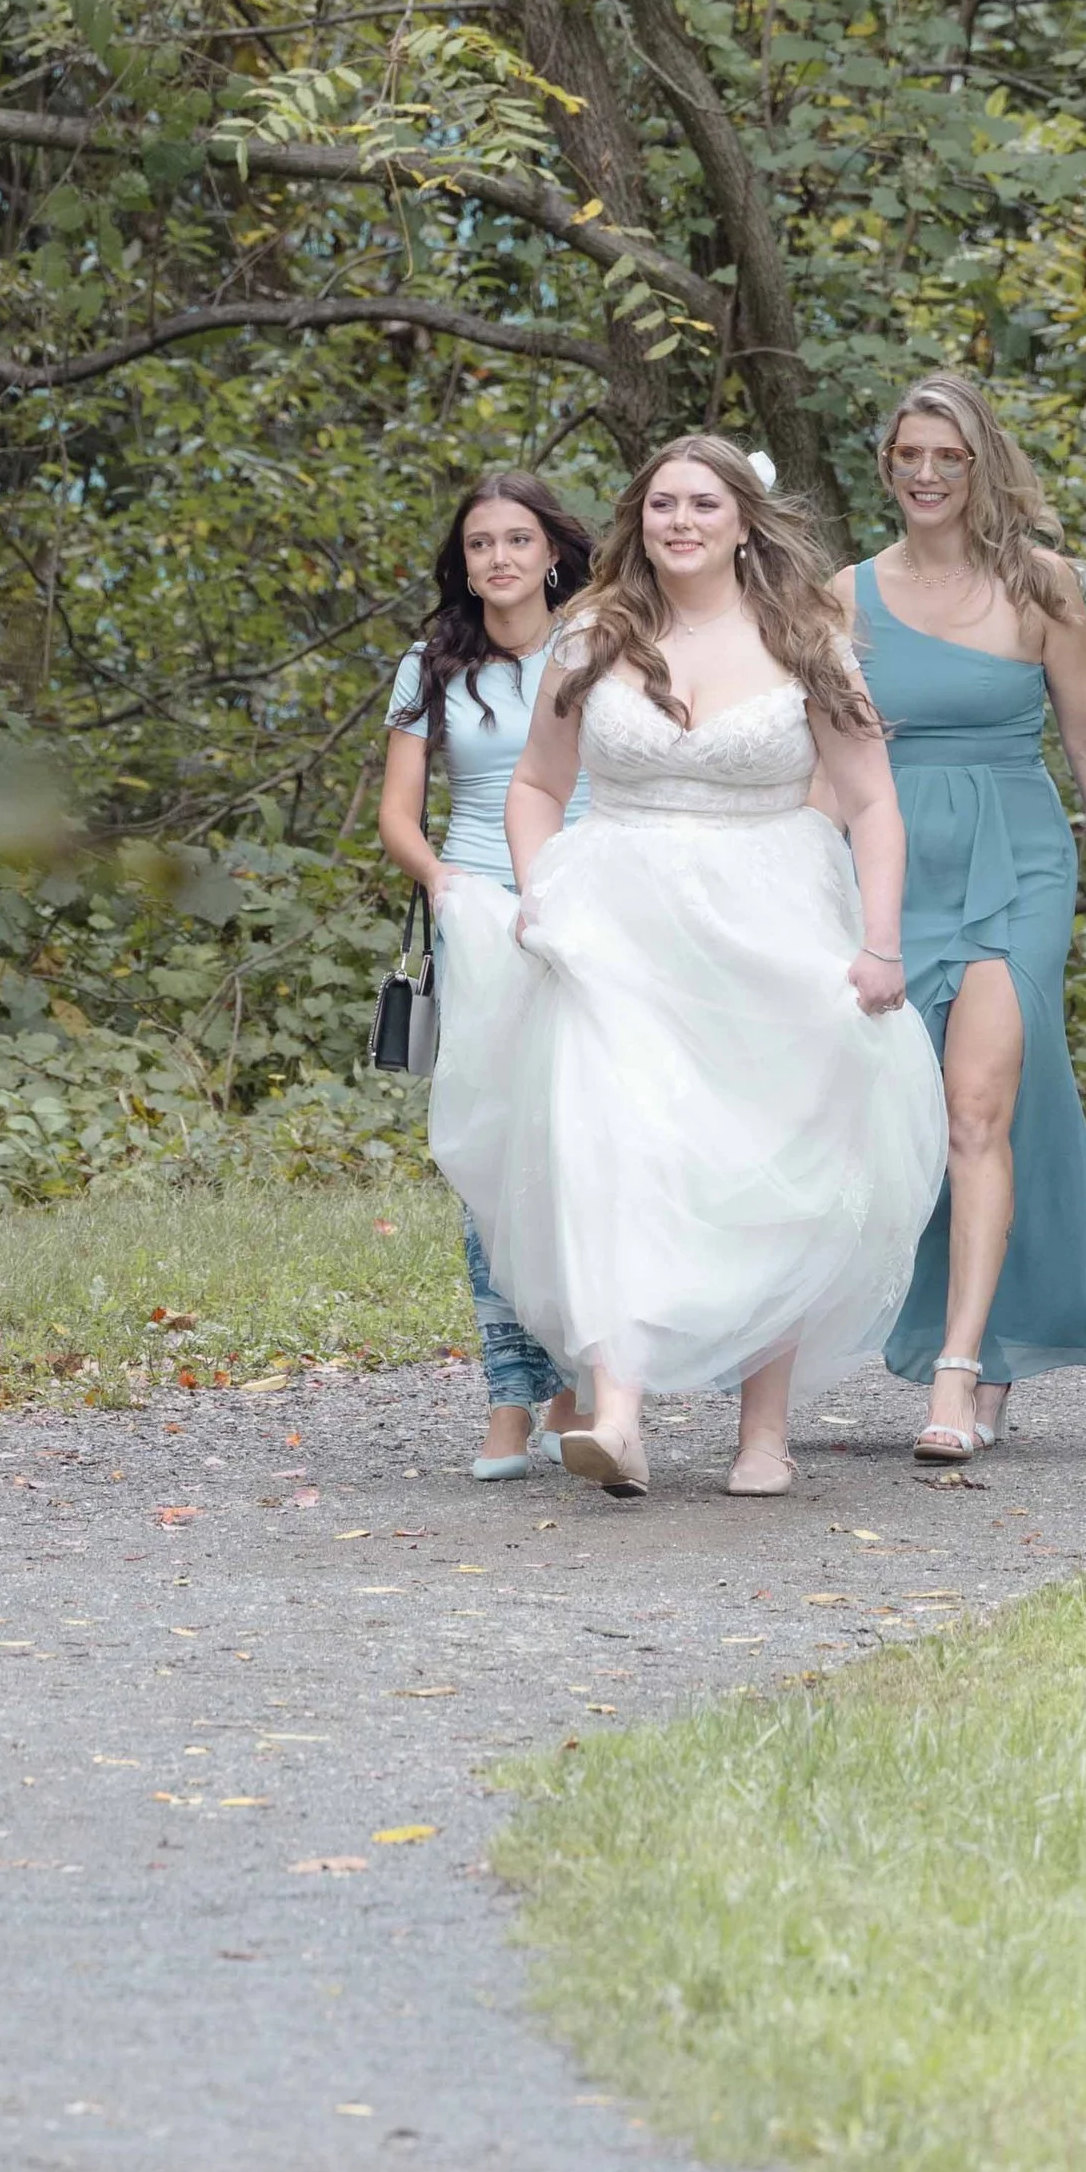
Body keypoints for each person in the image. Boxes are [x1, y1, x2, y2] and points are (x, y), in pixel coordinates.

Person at [430, 434, 945, 1502]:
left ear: (743, 520)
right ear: (638, 520)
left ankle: (764, 1433)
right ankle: (616, 1413)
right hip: (615, 917)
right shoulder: (593, 637)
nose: (680, 523)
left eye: (702, 505)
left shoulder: (805, 640)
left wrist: (880, 941)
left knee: (764, 1155)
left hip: (769, 911)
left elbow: (872, 801)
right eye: (662, 505)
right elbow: (536, 784)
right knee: (617, 1143)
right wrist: (539, 895)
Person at [838, 372, 1086, 1463]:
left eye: (947, 457)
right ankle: (942, 1331)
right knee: (904, 1119)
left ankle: (962, 1372)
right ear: (887, 466)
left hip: (1014, 856)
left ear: (979, 467)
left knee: (978, 1108)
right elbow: (818, 755)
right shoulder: (844, 596)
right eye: (908, 456)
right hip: (891, 864)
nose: (926, 475)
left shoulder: (1041, 586)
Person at [377, 472, 599, 1482]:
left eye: (517, 540)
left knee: (586, 1153)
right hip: (480, 924)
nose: (498, 559)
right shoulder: (429, 666)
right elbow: (398, 812)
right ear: (460, 562)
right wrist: (449, 885)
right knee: (490, 1164)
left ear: (553, 552)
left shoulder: (601, 647)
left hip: (592, 915)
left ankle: (577, 1394)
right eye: (479, 544)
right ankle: (510, 1402)